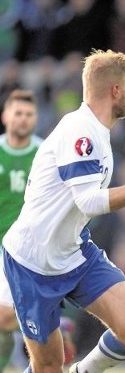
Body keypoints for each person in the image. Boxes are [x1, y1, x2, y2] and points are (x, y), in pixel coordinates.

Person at [2, 50, 125, 373]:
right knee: (47, 367)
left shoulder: (97, 131)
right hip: (33, 263)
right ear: (114, 90)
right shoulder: (81, 131)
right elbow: (89, 202)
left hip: (74, 253)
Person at [0, 90, 76, 371]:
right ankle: (51, 321)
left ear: (35, 119)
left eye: (28, 115)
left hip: (26, 250)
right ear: (6, 116)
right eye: (17, 113)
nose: (22, 119)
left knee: (3, 319)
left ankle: (48, 323)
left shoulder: (45, 153)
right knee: (4, 322)